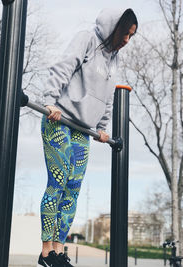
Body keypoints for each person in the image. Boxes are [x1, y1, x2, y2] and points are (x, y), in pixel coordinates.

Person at [37, 7, 138, 267]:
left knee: (73, 190)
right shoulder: (87, 40)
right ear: (113, 27)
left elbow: (106, 96)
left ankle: (59, 251)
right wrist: (50, 101)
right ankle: (46, 251)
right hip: (59, 119)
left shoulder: (114, 60)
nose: (126, 40)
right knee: (57, 183)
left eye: (131, 36)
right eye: (125, 33)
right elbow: (63, 67)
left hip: (82, 130)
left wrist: (102, 127)